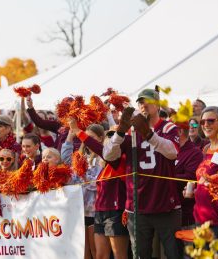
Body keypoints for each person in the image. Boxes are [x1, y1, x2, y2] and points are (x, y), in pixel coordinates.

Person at [103, 88, 182, 259]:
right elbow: (109, 155)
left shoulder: (168, 127)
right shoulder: (131, 132)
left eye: (147, 101)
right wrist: (120, 132)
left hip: (165, 204)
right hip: (137, 206)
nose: (143, 104)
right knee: (140, 254)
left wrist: (148, 134)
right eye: (140, 102)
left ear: (158, 104)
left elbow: (172, 152)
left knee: (173, 253)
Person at [62, 124, 106, 259]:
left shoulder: (102, 158)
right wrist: (70, 135)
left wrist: (84, 176)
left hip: (94, 210)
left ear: (100, 138)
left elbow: (97, 184)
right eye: (85, 137)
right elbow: (65, 159)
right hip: (79, 208)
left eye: (90, 137)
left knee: (95, 250)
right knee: (83, 250)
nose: (86, 140)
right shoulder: (80, 156)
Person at [192, 106, 218, 243]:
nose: (206, 125)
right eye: (202, 122)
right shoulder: (205, 149)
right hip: (201, 219)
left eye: (211, 121)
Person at [175, 124, 203, 227]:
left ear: (180, 132)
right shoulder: (169, 149)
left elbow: (190, 178)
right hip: (166, 211)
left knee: (186, 243)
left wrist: (165, 175)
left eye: (170, 130)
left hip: (185, 214)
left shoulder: (194, 152)